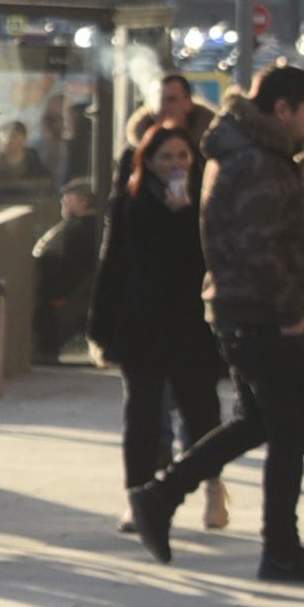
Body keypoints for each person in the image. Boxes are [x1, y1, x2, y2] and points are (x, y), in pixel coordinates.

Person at [127, 63, 304, 583]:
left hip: (247, 309)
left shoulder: (256, 154)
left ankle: (163, 497)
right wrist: (290, 313)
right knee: (291, 426)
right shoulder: (257, 162)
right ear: (282, 110)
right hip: (261, 313)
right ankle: (278, 548)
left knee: (264, 421)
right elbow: (260, 248)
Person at [92, 123, 224, 527]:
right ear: (147, 162)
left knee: (202, 414)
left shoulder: (207, 206)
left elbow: (211, 261)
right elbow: (112, 264)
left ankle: (213, 489)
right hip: (142, 325)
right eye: (166, 157)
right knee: (142, 417)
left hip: (192, 327)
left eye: (182, 156)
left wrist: (187, 216)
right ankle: (138, 496)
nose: (175, 164)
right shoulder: (129, 205)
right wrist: (101, 325)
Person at [30, 181, 104, 362]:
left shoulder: (81, 229)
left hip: (66, 297)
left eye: (69, 198)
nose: (63, 201)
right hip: (62, 293)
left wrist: (57, 295)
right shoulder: (77, 226)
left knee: (47, 335)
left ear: (84, 202)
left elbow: (74, 268)